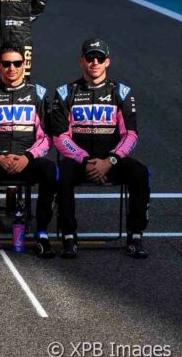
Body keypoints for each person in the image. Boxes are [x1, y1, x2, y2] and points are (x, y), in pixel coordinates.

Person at [50, 38, 150, 259]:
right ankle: (68, 236)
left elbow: (131, 135)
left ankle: (135, 235)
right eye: (90, 58)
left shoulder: (122, 93)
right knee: (62, 174)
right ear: (81, 61)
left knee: (140, 172)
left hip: (112, 161)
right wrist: (85, 160)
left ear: (107, 62)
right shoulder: (65, 93)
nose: (94, 62)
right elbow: (59, 137)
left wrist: (111, 160)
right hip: (79, 161)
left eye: (100, 58)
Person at [0, 42, 57, 258]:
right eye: (7, 64)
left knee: (50, 170)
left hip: (27, 159)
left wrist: (28, 156)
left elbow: (46, 138)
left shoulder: (38, 94)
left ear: (24, 64)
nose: (12, 68)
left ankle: (42, 233)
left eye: (17, 63)